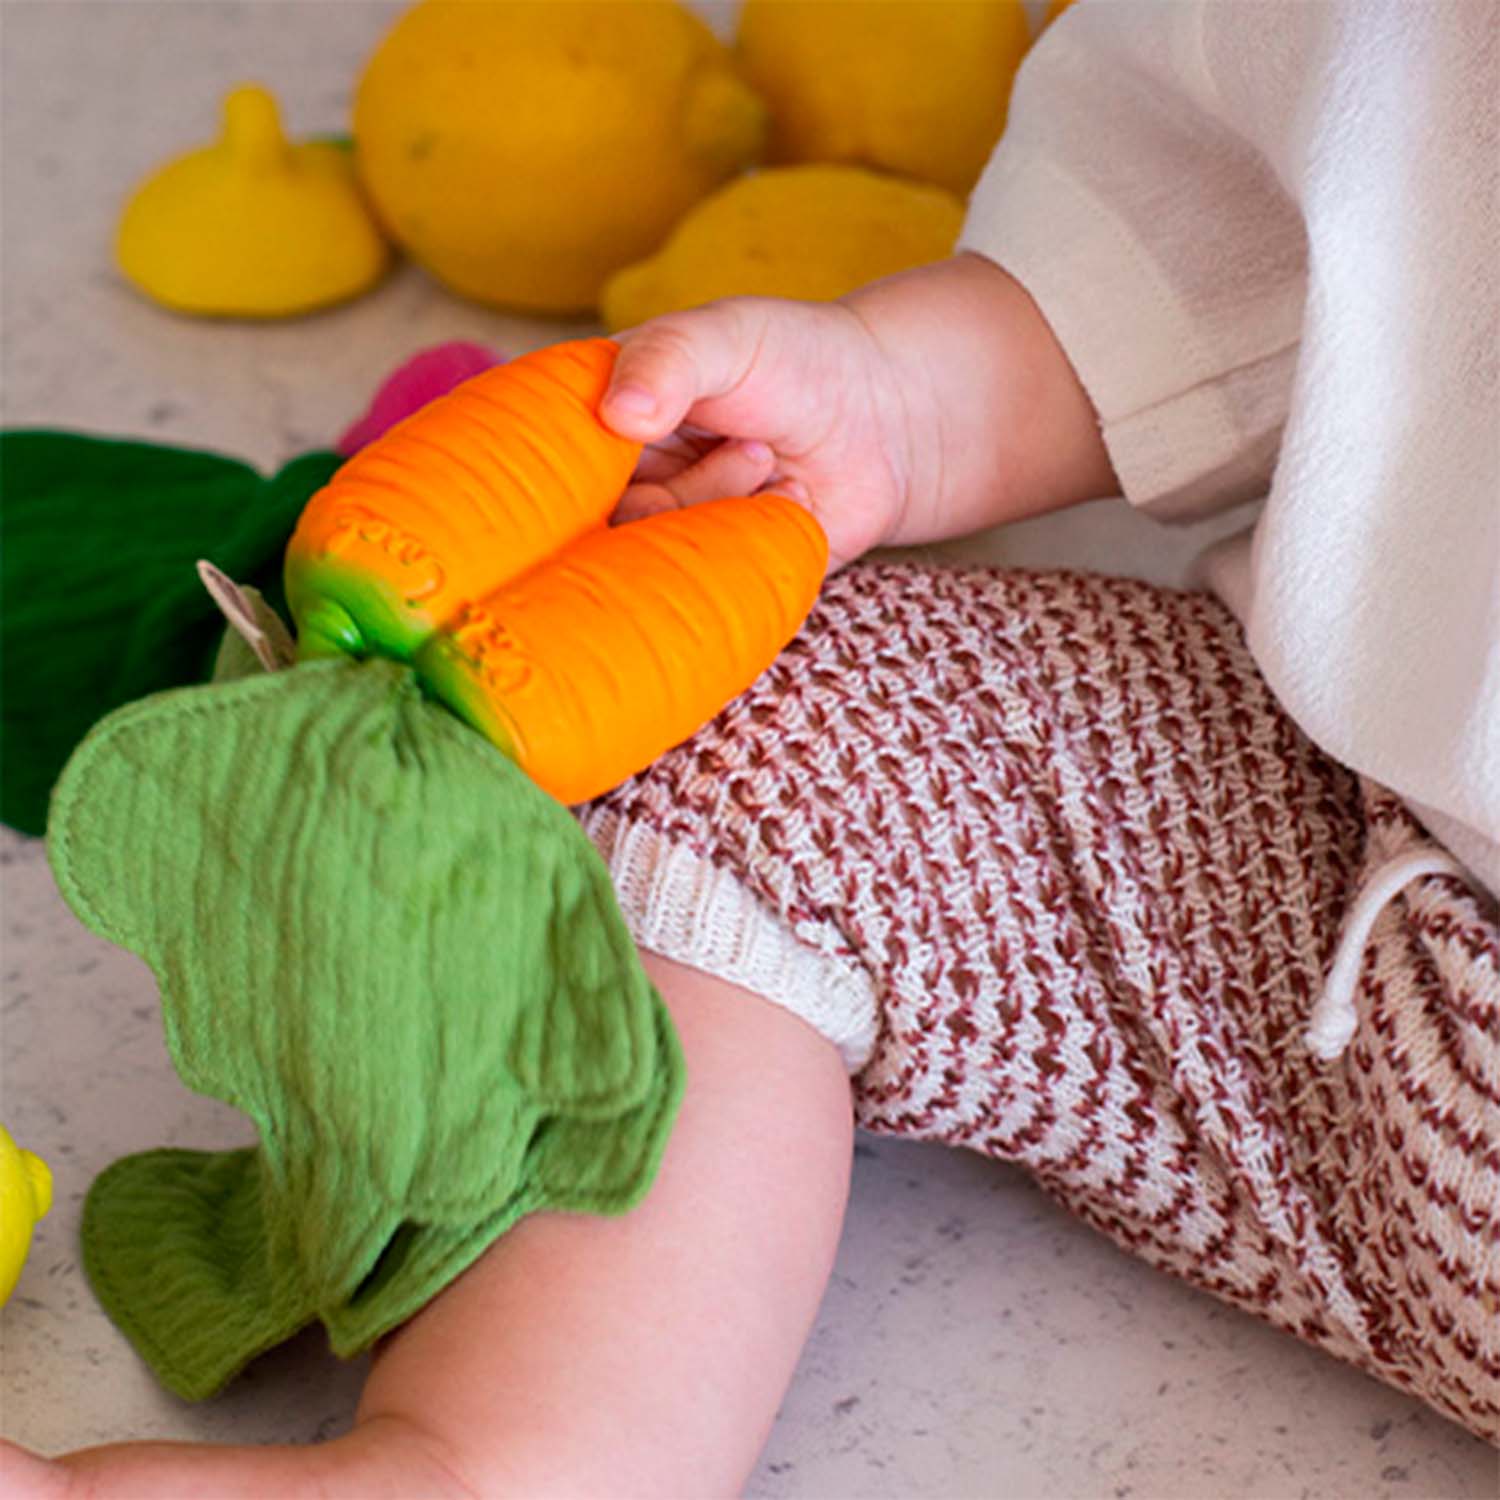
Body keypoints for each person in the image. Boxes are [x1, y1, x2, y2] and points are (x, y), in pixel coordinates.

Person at [4, 0, 1495, 1493]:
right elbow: (1250, 226)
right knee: (708, 702)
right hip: (1338, 846)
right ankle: (511, 1452)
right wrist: (898, 400)